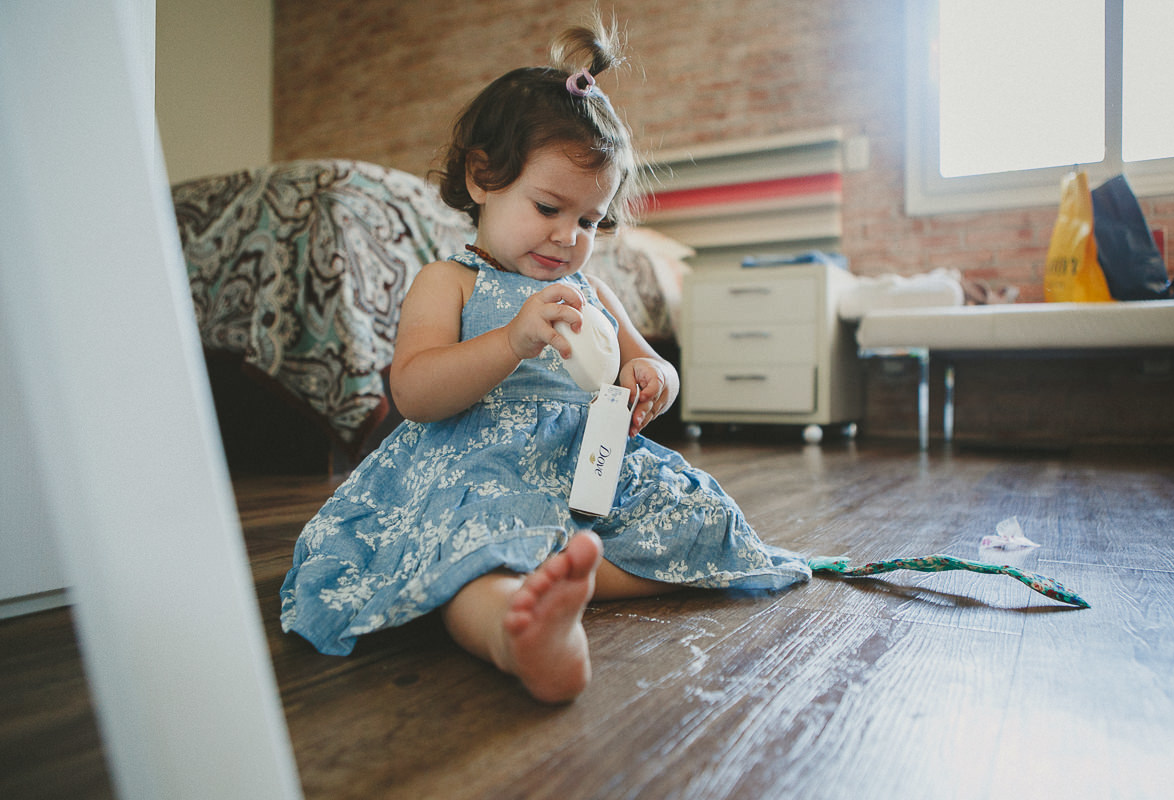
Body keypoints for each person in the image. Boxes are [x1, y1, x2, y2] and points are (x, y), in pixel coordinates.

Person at [280, 17, 811, 704]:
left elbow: (652, 364)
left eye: (590, 221)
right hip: (477, 471)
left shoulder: (594, 290)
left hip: (583, 466)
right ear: (481, 178)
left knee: (705, 519)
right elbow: (414, 392)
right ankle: (513, 629)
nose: (568, 237)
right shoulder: (451, 281)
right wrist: (508, 342)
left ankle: (564, 574)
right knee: (467, 550)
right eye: (548, 206)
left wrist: (655, 379)